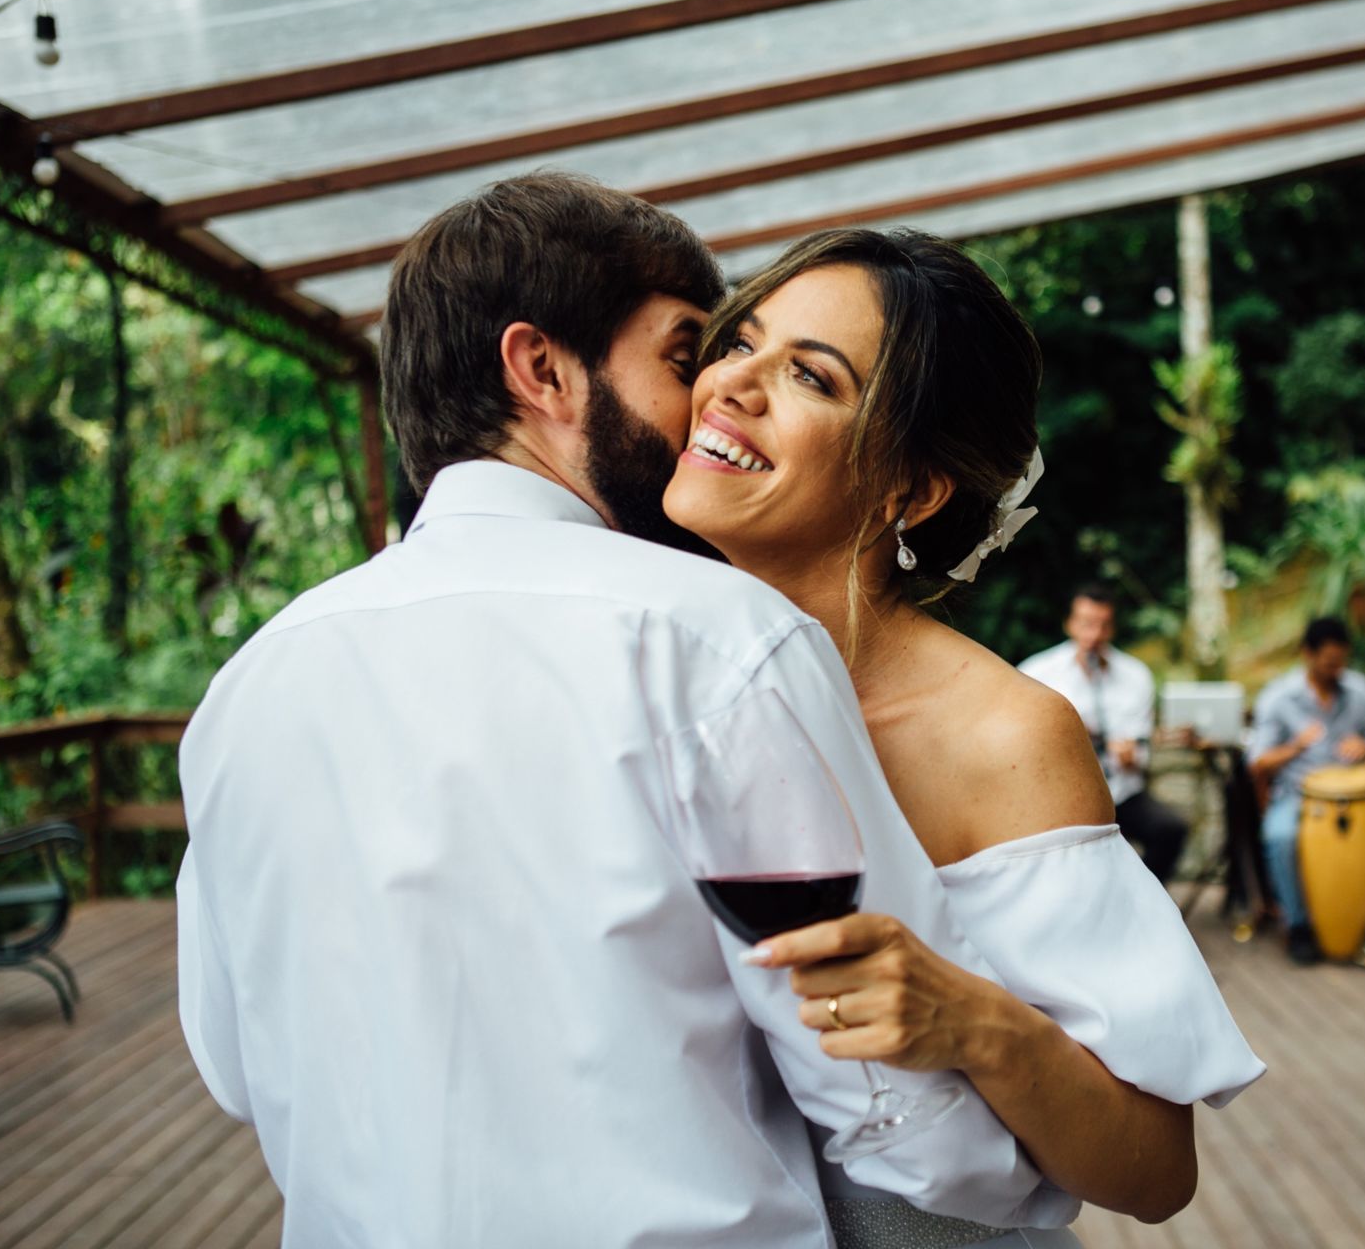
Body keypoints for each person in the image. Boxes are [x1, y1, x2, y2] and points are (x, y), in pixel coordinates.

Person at [177, 177, 1079, 1247]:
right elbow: (893, 1101)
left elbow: (236, 1065)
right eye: (686, 354)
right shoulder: (715, 636)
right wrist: (1029, 1188)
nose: (709, 398)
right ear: (543, 369)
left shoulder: (250, 684)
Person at [663, 227, 1264, 1246]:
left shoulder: (1003, 734)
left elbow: (1157, 1169)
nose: (732, 384)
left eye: (811, 376)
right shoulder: (640, 667)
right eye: (738, 342)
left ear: (911, 489)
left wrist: (968, 1019)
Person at [1248, 618, 1365, 973]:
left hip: (1361, 801)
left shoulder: (1360, 691)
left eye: (1342, 661)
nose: (1337, 670)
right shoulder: (1279, 697)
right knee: (1279, 835)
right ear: (1308, 655)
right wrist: (1295, 747)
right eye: (1330, 662)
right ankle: (1299, 926)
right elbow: (1257, 763)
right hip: (1299, 796)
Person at [1016, 585, 1190, 883]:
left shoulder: (1136, 675)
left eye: (1103, 625)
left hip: (1121, 793)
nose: (1094, 635)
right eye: (1086, 624)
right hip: (1060, 796)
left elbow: (1141, 750)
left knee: (1170, 830)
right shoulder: (1037, 672)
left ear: (1113, 628)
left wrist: (1131, 757)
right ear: (1069, 623)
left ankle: (1137, 895)